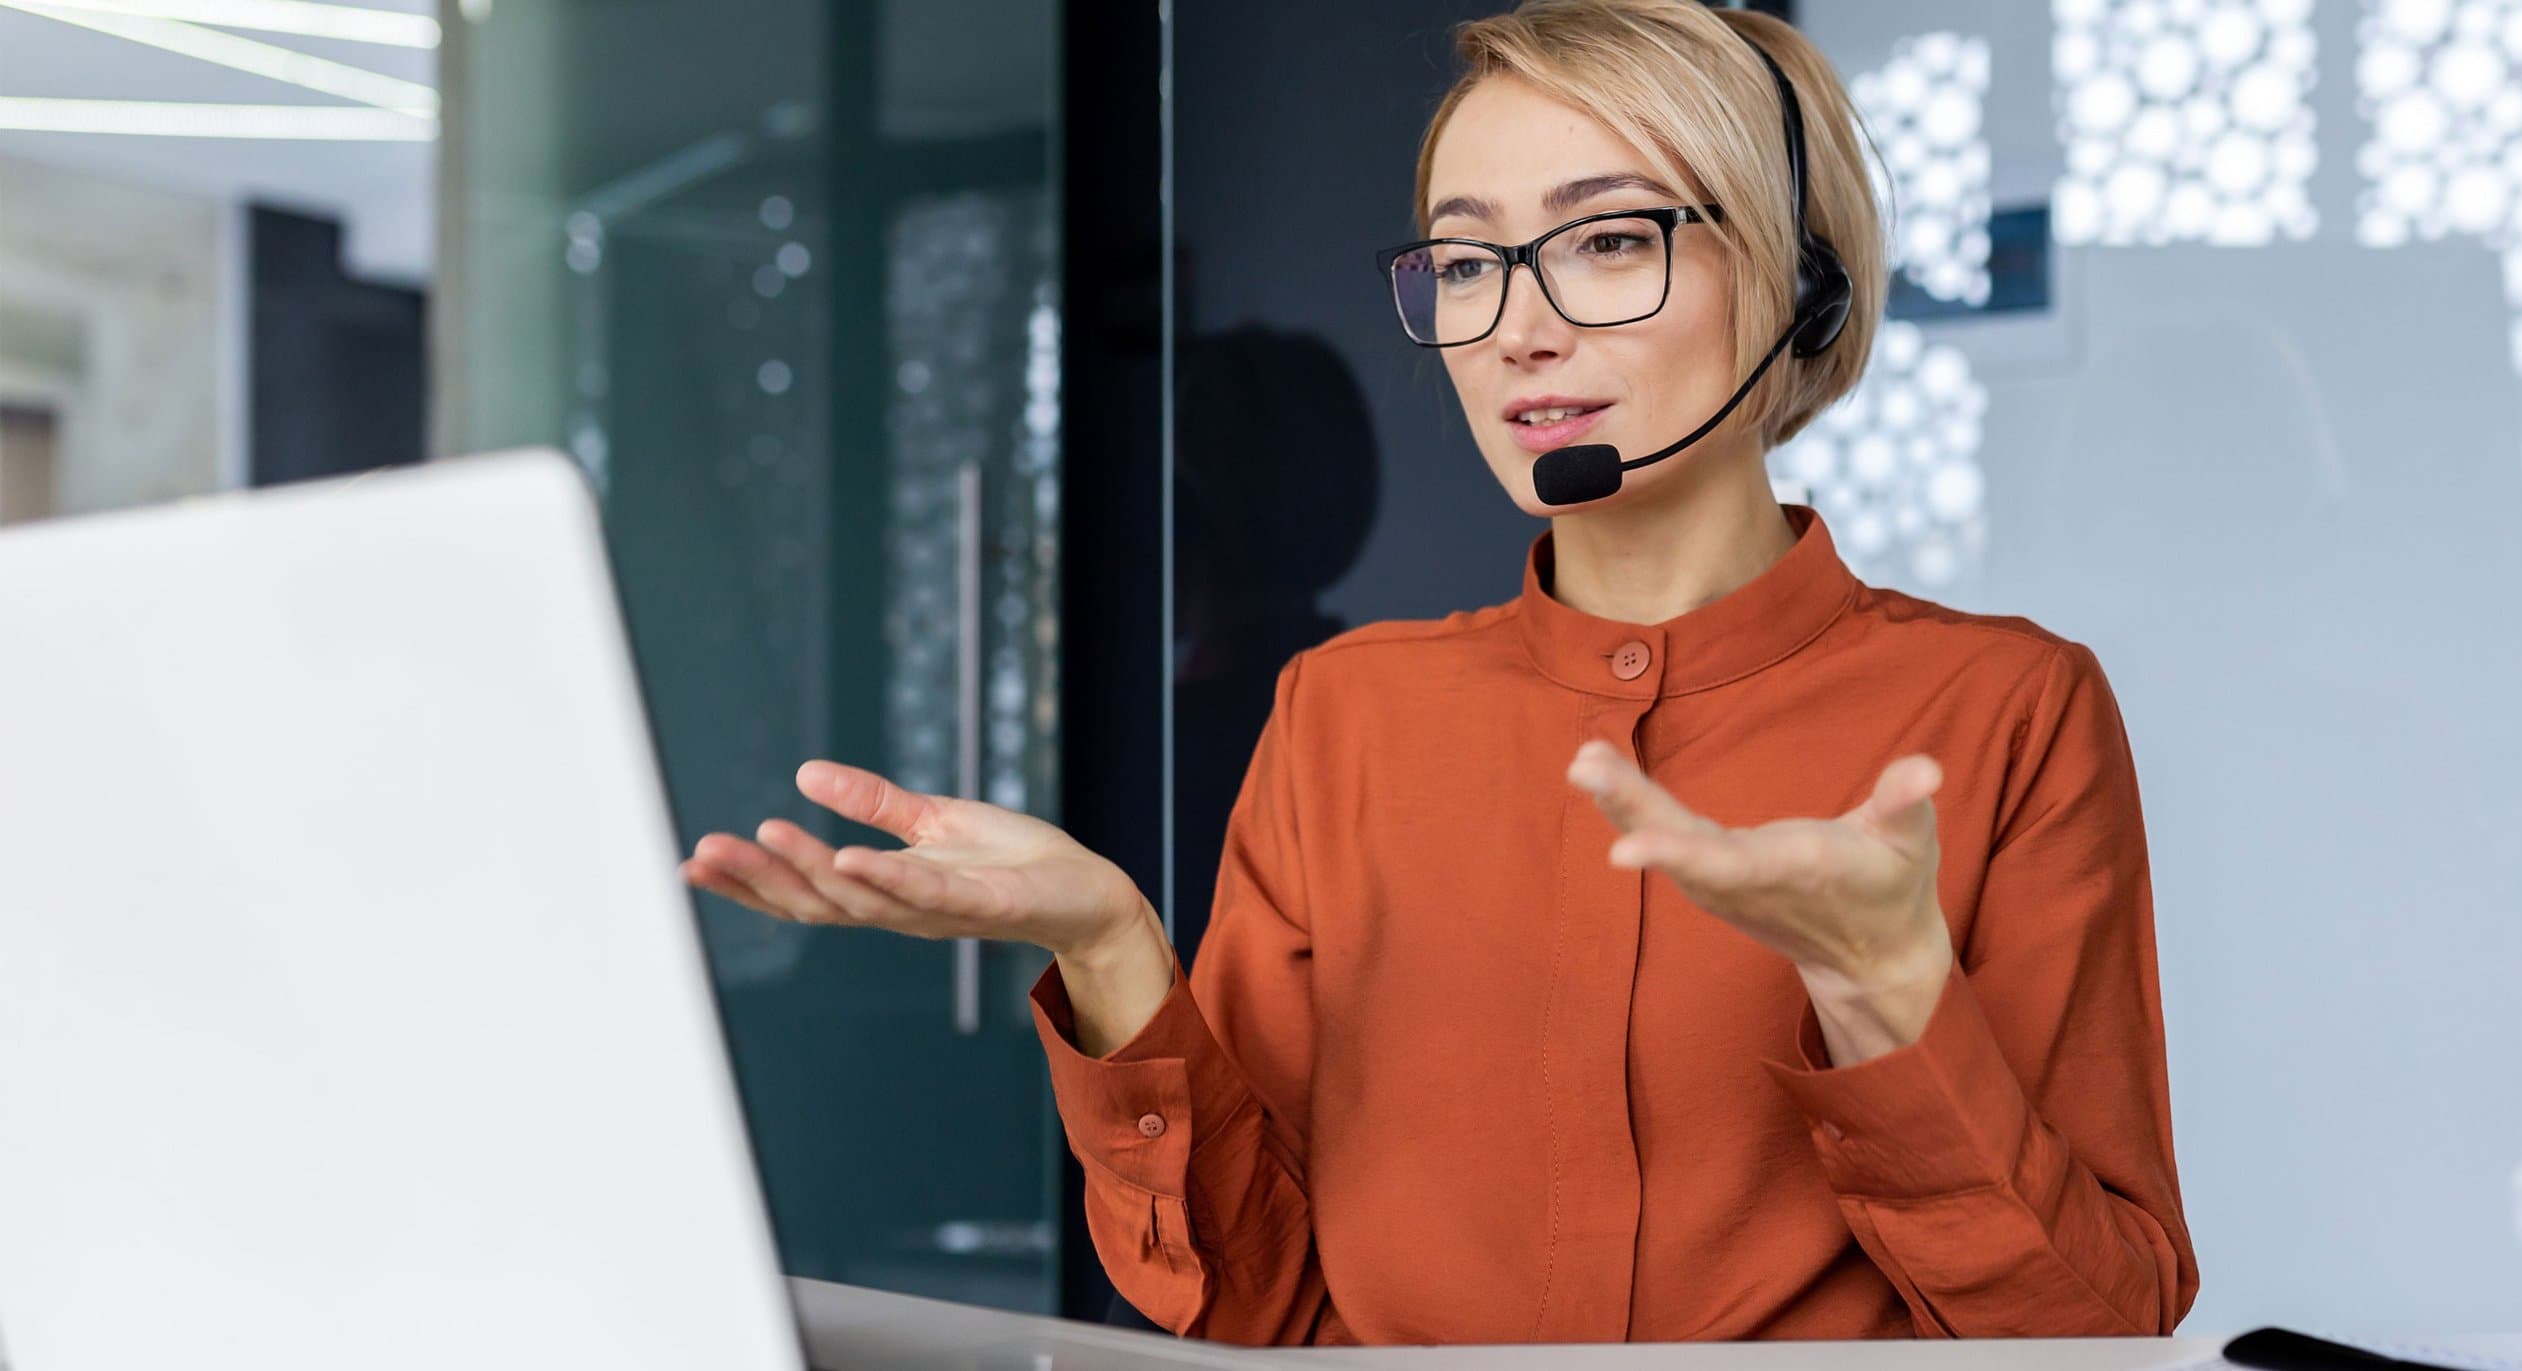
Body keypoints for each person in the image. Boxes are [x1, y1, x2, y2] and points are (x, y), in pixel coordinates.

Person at [685, 0, 2196, 1344]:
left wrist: (1889, 997)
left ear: (1797, 285)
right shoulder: (1349, 713)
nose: (1521, 328)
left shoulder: (2005, 713)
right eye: (1470, 260)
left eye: (1610, 239)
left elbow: (2092, 1324)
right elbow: (1253, 1299)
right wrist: (1111, 949)